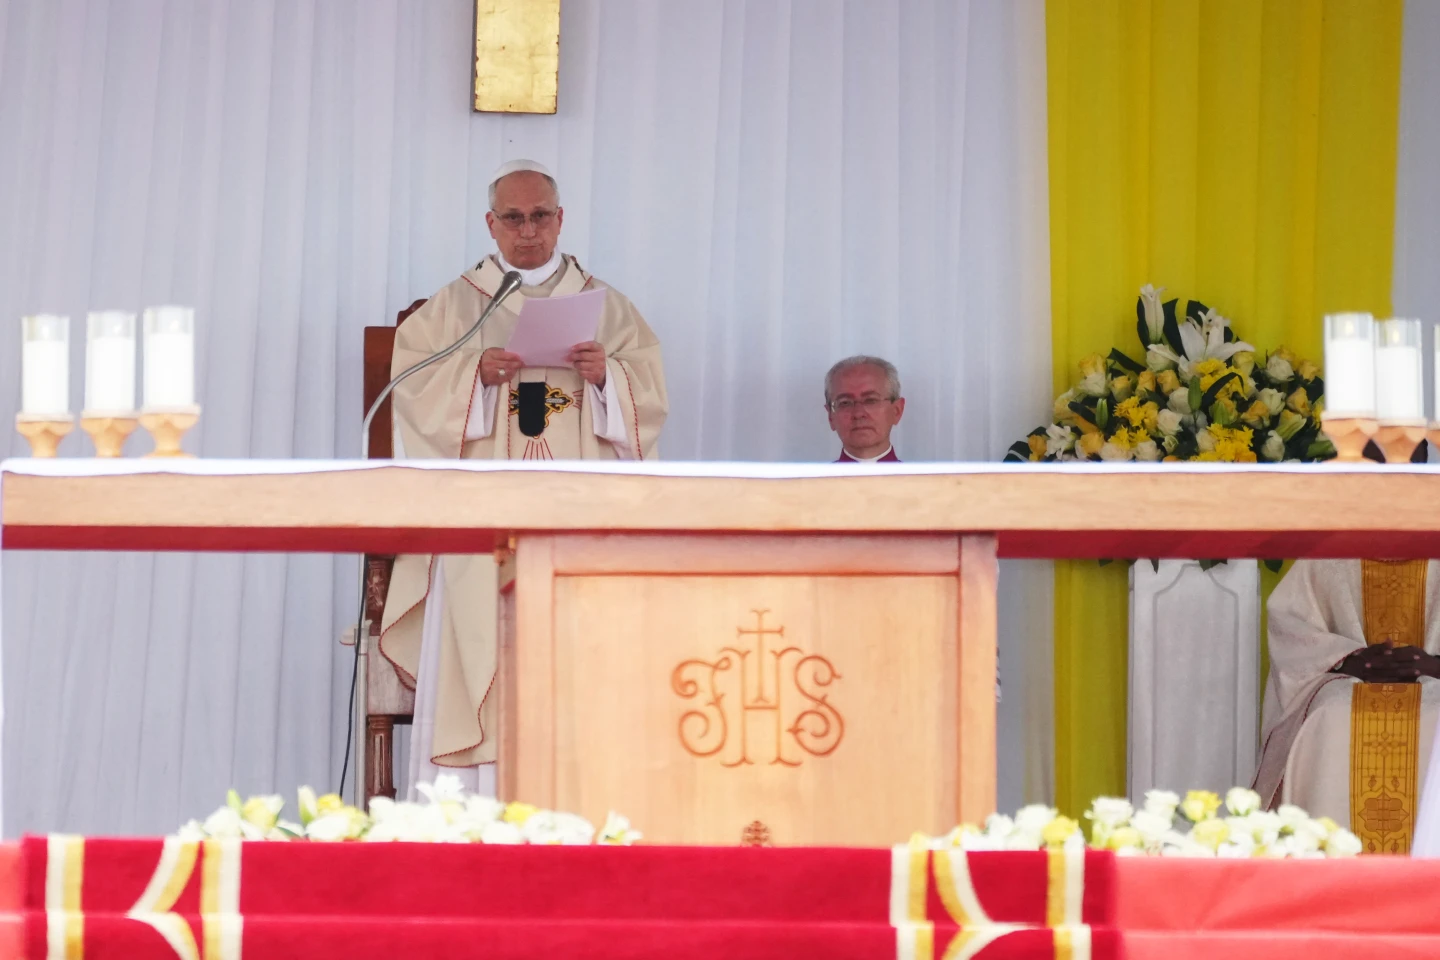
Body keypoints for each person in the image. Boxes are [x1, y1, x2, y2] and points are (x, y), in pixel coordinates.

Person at [380, 159, 668, 798]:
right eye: (513, 218)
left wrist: (608, 377)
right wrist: (473, 375)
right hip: (481, 530)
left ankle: (577, 792)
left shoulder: (608, 307)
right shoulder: (454, 306)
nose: (528, 231)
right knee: (476, 636)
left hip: (574, 521)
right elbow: (411, 394)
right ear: (491, 224)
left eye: (540, 216)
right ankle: (471, 804)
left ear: (561, 219)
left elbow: (650, 399)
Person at [1254, 558, 1440, 853]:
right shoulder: (1331, 553)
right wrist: (1349, 659)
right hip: (1346, 677)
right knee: (1332, 713)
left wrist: (1434, 665)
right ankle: (1323, 867)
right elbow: (1290, 620)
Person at [825, 355, 904, 463]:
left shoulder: (921, 474)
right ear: (830, 416)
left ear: (897, 410)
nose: (858, 413)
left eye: (870, 400)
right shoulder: (810, 474)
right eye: (845, 403)